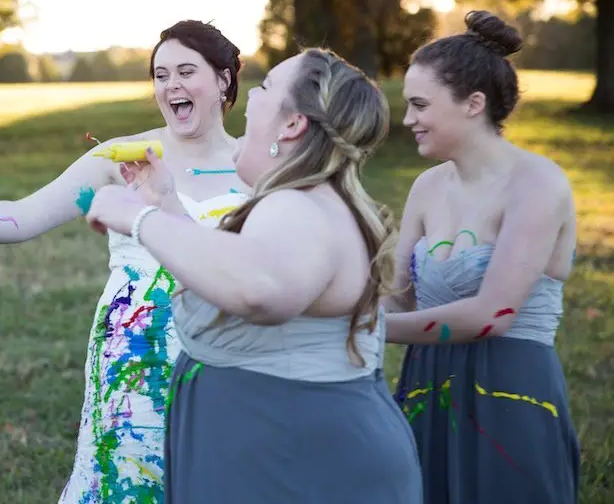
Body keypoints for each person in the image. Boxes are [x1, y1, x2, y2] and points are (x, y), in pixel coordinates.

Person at [0, 20, 251, 503]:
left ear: (223, 81)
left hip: (226, 357)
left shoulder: (256, 167)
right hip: (132, 360)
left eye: (186, 72)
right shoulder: (122, 157)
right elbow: (23, 216)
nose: (171, 86)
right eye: (160, 75)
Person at [84, 48, 423, 503]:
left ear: (291, 124)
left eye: (265, 88)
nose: (251, 97)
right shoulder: (302, 199)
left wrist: (140, 220)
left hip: (293, 460)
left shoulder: (296, 204)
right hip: (278, 448)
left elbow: (261, 289)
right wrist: (163, 204)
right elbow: (243, 263)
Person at [382, 10, 580, 503]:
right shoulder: (427, 188)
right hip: (426, 387)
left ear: (473, 104)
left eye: (420, 105)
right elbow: (396, 301)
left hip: (509, 398)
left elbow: (493, 314)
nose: (408, 120)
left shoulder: (538, 184)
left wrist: (364, 328)